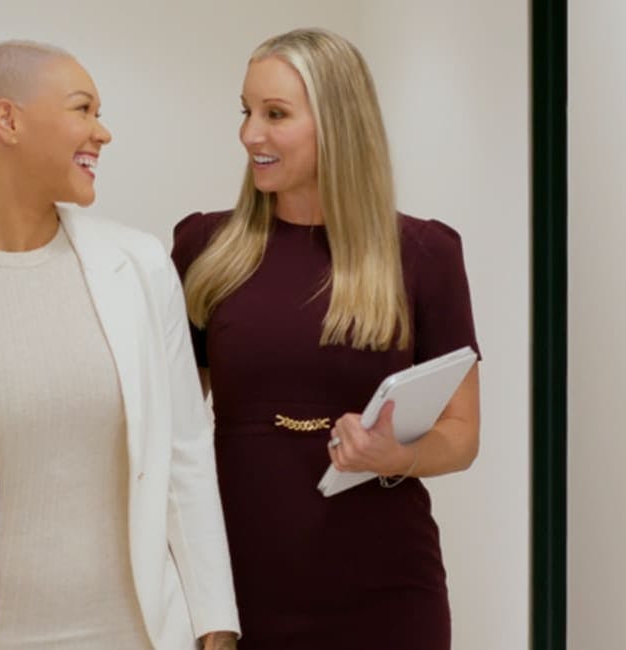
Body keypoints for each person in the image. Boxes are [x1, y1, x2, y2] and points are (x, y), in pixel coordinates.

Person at [0, 40, 239, 650]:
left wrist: (215, 621)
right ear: (8, 120)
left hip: (137, 636)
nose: (103, 132)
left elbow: (184, 452)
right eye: (83, 109)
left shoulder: (139, 266)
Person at [171, 28, 481, 650]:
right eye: (246, 111)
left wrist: (395, 457)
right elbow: (171, 433)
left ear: (338, 123)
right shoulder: (204, 247)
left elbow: (462, 435)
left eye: (275, 114)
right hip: (238, 587)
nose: (249, 134)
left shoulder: (426, 254)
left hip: (388, 593)